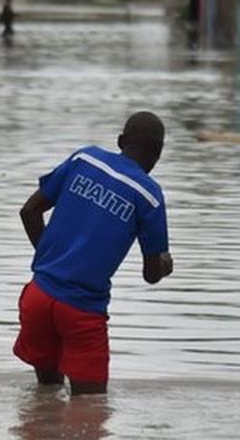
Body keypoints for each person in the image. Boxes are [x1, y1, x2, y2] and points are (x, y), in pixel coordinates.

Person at [14, 112, 174, 395]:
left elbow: (29, 211)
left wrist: (54, 259)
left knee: (46, 400)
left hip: (38, 297)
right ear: (158, 153)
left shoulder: (84, 159)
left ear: (121, 141)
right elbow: (151, 275)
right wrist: (164, 265)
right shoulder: (149, 195)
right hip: (81, 311)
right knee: (88, 414)